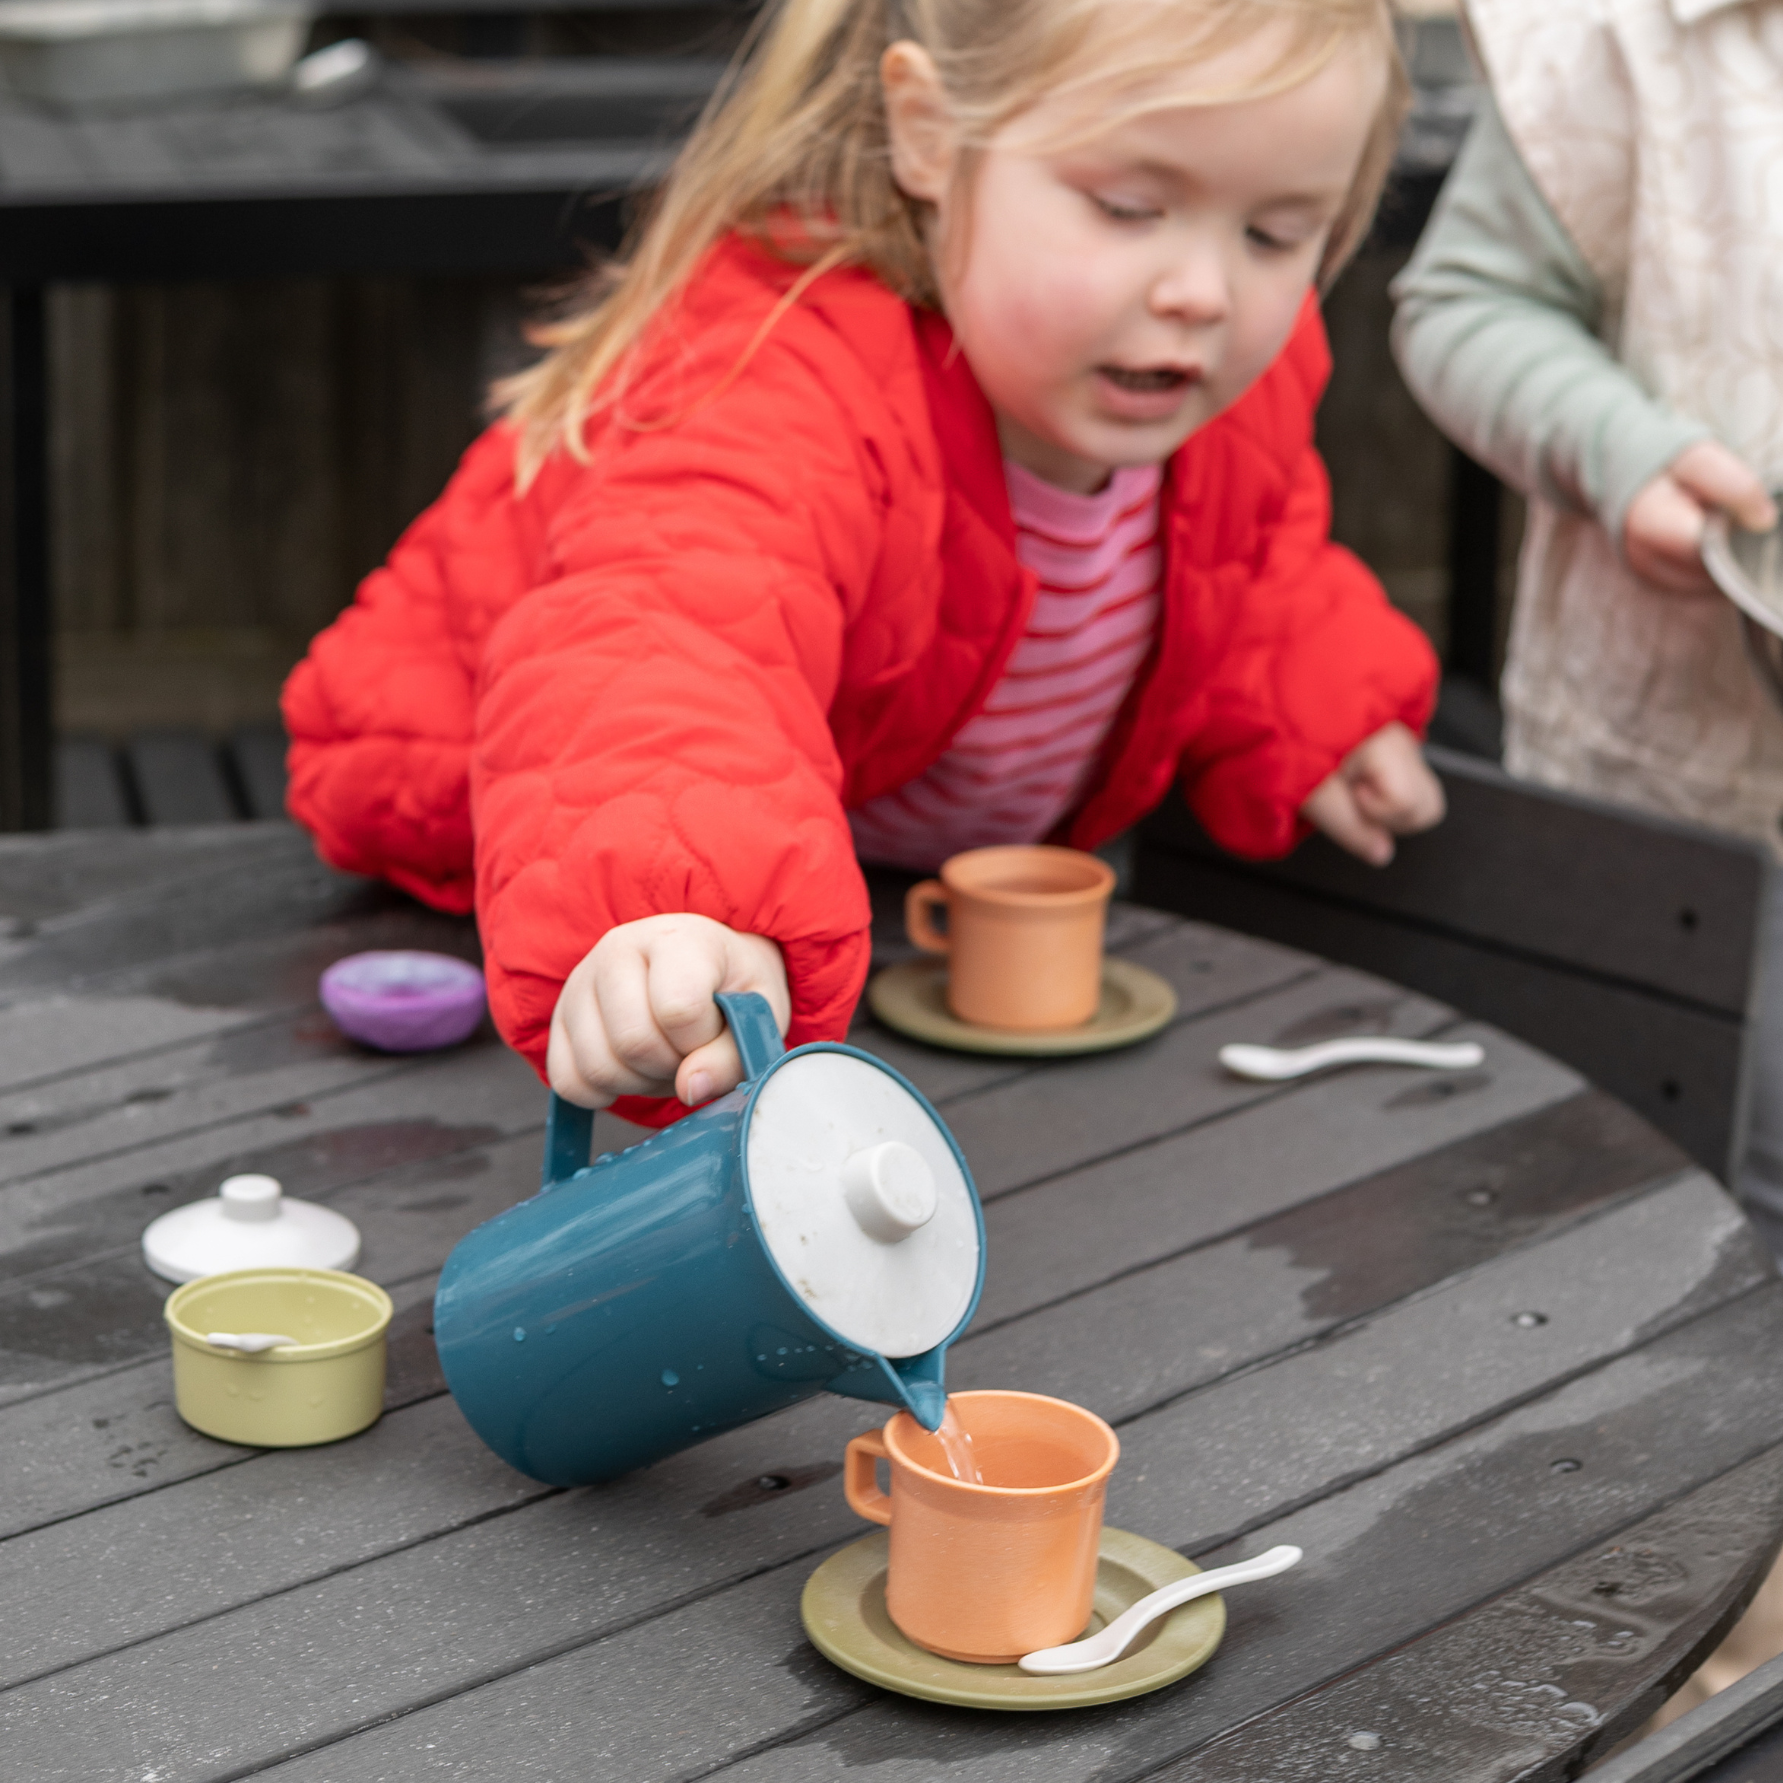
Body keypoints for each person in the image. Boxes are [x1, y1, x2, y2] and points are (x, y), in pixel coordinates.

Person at [284, 0, 1442, 1129]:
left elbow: (1248, 546)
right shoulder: (776, 379)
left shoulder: (1221, 380)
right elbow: (673, 635)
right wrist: (683, 904)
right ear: (930, 135)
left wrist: (1312, 699)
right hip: (550, 801)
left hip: (874, 878)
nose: (1203, 292)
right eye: (1128, 207)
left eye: (1274, 235)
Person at [1389, 1, 1783, 1205]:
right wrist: (1619, 452)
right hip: (1688, 802)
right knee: (1686, 1181)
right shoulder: (1620, 34)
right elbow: (1465, 305)